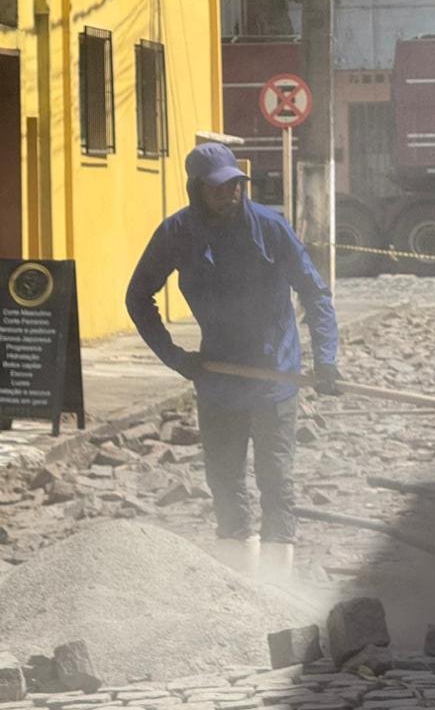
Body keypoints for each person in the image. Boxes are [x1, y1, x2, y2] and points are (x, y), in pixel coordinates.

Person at [126, 143, 340, 579]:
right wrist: (175, 358)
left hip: (274, 371)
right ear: (197, 190)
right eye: (219, 188)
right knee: (224, 480)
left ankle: (278, 583)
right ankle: (239, 580)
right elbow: (138, 297)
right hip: (219, 373)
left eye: (237, 185)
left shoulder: (270, 226)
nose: (231, 195)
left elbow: (315, 292)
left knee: (276, 478)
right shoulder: (177, 233)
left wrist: (326, 361)